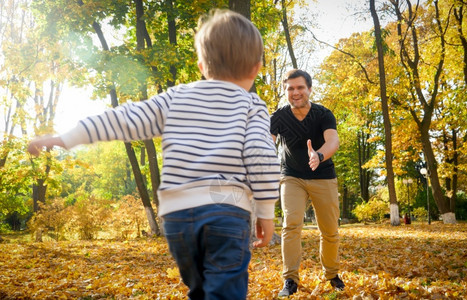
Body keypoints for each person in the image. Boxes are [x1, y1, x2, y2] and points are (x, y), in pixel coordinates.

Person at [28, 9, 280, 300]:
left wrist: (66, 137)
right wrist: (265, 212)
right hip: (226, 211)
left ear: (201, 65)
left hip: (177, 217)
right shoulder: (252, 105)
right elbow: (261, 155)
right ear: (256, 68)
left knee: (200, 290)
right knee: (225, 290)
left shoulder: (176, 97)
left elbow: (125, 118)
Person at [270, 69, 344, 297]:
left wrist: (319, 155)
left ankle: (332, 274)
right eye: (290, 88)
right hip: (292, 177)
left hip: (323, 176)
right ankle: (290, 279)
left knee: (330, 231)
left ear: (309, 89)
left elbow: (333, 140)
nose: (295, 92)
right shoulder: (278, 117)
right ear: (286, 91)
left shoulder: (323, 114)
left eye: (300, 87)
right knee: (291, 225)